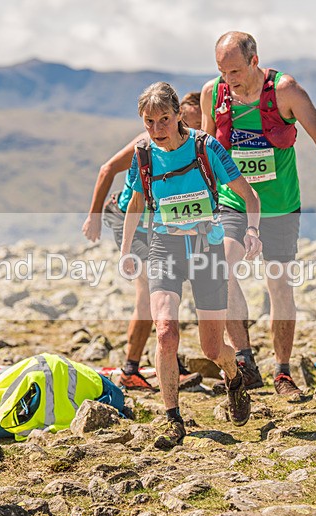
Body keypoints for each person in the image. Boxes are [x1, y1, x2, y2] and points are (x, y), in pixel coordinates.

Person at [200, 31, 316, 395]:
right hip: (234, 202)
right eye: (223, 71)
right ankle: (244, 359)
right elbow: (206, 151)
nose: (229, 79)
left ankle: (283, 372)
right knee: (219, 268)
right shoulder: (214, 94)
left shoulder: (285, 91)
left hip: (281, 207)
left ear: (255, 61)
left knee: (279, 286)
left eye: (236, 71)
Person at [120, 82, 262, 448]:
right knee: (165, 331)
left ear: (178, 114)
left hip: (206, 248)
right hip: (164, 248)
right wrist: (125, 250)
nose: (157, 129)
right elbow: (136, 204)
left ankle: (233, 376)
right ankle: (172, 419)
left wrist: (253, 230)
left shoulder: (205, 147)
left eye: (163, 119)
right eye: (149, 121)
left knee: (213, 349)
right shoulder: (143, 154)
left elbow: (249, 194)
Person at [82, 92, 203, 391]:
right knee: (150, 290)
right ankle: (130, 370)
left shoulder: (198, 146)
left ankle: (165, 362)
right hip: (129, 219)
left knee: (169, 291)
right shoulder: (146, 143)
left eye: (201, 124)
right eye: (190, 121)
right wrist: (93, 215)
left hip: (160, 226)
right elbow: (107, 168)